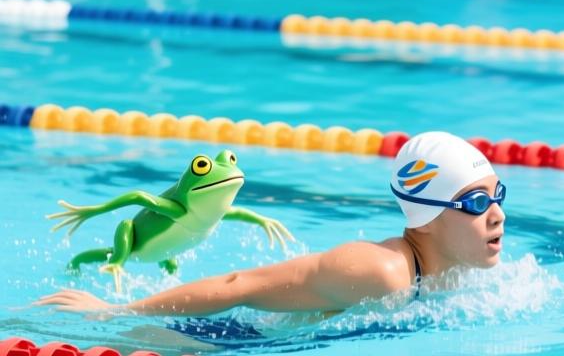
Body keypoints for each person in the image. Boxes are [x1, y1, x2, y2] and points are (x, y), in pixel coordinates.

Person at [35, 131, 506, 318]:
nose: (497, 214)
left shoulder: (465, 268)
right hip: (217, 337)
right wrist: (117, 312)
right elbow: (242, 282)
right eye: (477, 201)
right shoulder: (378, 270)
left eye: (497, 196)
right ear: (426, 217)